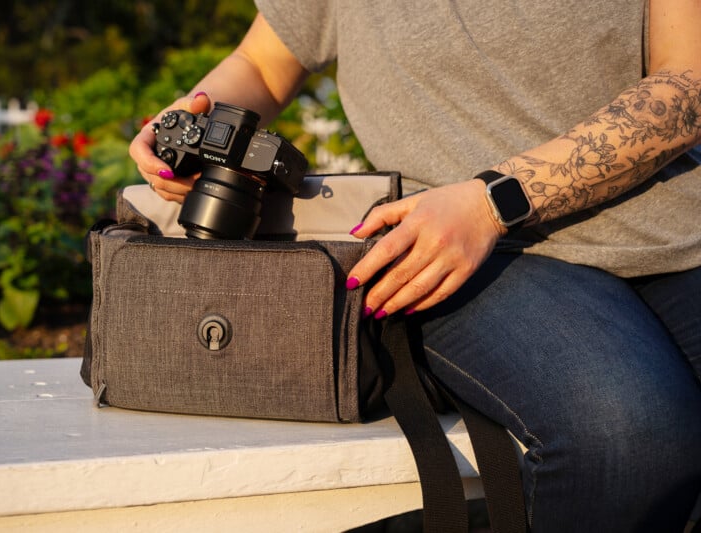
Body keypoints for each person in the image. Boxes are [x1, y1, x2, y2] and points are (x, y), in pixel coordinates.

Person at [129, 1, 701, 530]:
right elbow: (261, 63)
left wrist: (493, 200)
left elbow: (690, 79)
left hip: (676, 228)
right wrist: (192, 124)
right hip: (464, 249)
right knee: (630, 440)